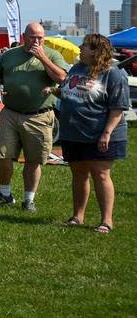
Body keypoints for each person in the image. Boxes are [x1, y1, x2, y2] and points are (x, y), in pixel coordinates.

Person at [0, 22, 68, 211]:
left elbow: (62, 79)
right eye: (33, 37)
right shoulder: (9, 55)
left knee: (33, 160)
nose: (37, 41)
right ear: (24, 37)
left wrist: (42, 58)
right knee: (3, 155)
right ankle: (5, 194)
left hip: (39, 115)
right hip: (11, 113)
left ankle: (28, 200)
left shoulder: (53, 55)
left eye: (40, 38)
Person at [54, 33, 130, 232]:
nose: (80, 47)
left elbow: (118, 108)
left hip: (100, 133)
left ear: (96, 51)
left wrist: (106, 133)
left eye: (85, 45)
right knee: (78, 174)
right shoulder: (77, 68)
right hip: (74, 133)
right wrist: (55, 92)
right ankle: (77, 216)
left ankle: (106, 221)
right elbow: (70, 91)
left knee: (101, 174)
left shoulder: (113, 73)